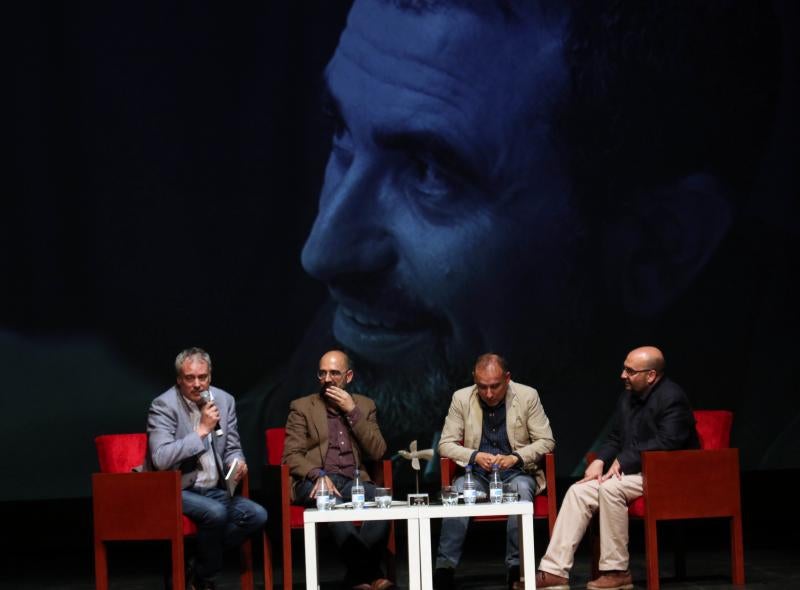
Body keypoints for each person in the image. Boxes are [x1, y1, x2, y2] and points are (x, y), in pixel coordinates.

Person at [281, 0, 784, 470]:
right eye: (341, 133)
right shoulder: (364, 339)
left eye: (431, 172)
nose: (323, 251)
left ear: (659, 246)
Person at [526, 346, 699, 590]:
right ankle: (555, 571)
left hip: (666, 475)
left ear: (651, 375)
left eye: (630, 370)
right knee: (578, 491)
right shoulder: (627, 397)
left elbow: (668, 441)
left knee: (610, 489)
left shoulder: (672, 398)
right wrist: (600, 459)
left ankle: (617, 571)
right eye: (624, 368)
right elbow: (616, 437)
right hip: (637, 473)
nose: (623, 375)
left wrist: (625, 459)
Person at [146, 347, 267, 590]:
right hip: (177, 488)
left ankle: (197, 569)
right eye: (190, 378)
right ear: (179, 380)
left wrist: (236, 463)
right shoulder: (163, 405)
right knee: (216, 513)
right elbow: (160, 459)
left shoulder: (224, 400)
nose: (197, 384)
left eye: (202, 377)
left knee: (257, 515)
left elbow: (232, 446)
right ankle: (207, 579)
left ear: (210, 376)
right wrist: (201, 431)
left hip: (213, 488)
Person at [433, 353, 555, 590]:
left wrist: (515, 457)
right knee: (458, 493)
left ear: (507, 379)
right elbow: (445, 444)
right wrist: (474, 455)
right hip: (475, 474)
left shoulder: (527, 396)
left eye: (494, 387)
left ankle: (515, 569)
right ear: (474, 380)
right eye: (482, 387)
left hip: (517, 472)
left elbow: (546, 441)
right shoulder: (461, 398)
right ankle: (444, 569)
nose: (488, 393)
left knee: (521, 490)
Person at [282, 350, 393, 590]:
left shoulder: (365, 405)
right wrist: (317, 475)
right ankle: (370, 572)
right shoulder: (302, 407)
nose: (328, 379)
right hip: (316, 480)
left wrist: (352, 411)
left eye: (334, 373)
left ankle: (357, 576)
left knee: (383, 500)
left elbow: (377, 451)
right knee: (329, 501)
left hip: (354, 481)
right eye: (322, 373)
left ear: (348, 376)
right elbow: (290, 455)